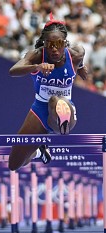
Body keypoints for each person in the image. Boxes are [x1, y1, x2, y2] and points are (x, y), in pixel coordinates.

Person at [8, 13, 87, 171]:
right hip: (39, 110)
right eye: (50, 44)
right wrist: (36, 67)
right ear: (44, 43)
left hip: (65, 109)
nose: (54, 49)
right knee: (14, 164)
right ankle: (39, 151)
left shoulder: (75, 54)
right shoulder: (37, 56)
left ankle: (60, 122)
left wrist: (81, 68)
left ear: (65, 43)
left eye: (59, 44)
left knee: (55, 101)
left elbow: (80, 61)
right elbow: (13, 71)